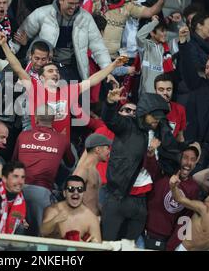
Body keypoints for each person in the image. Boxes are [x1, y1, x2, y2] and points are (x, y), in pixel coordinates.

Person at [0, 31, 125, 141]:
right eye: (50, 71)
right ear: (41, 78)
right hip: (38, 141)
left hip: (62, 146)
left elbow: (92, 80)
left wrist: (112, 66)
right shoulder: (34, 88)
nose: (55, 73)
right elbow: (17, 68)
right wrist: (4, 45)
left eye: (56, 71)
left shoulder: (68, 91)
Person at [100, 88, 174, 241]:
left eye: (159, 117)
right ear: (144, 113)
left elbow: (156, 173)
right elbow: (110, 119)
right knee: (108, 245)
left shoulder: (159, 135)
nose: (156, 120)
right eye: (154, 116)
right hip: (118, 197)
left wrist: (151, 155)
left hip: (141, 201)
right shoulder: (128, 126)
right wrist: (109, 103)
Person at [20, 0, 112, 82]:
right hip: (46, 67)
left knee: (79, 96)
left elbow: (99, 47)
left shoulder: (86, 18)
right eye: (70, 3)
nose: (74, 7)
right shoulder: (43, 13)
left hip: (73, 68)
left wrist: (107, 71)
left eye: (77, 3)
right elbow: (21, 34)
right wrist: (9, 54)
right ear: (61, 0)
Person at [13, 104, 74, 236]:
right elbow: (71, 163)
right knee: (40, 235)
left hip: (17, 190)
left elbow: (14, 163)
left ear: (35, 119)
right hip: (42, 192)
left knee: (15, 232)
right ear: (53, 119)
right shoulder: (62, 139)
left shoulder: (22, 136)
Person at [178, 25, 209, 170]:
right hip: (197, 146)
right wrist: (183, 43)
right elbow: (187, 68)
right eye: (207, 67)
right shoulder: (197, 85)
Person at [92, 0, 167, 58]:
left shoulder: (128, 5)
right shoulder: (97, 0)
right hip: (95, 54)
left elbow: (150, 12)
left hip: (121, 56)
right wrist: (93, 2)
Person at [143, 143, 201, 251]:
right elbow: (151, 166)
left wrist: (170, 247)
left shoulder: (194, 188)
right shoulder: (163, 173)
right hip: (142, 236)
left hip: (165, 242)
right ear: (178, 158)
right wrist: (150, 155)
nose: (188, 163)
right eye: (185, 158)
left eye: (193, 159)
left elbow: (185, 219)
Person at [41, 175, 101, 243]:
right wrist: (55, 220)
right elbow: (42, 232)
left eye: (80, 189)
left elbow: (98, 245)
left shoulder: (91, 218)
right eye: (71, 189)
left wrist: (87, 244)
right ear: (64, 193)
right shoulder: (53, 210)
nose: (75, 193)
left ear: (83, 194)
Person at [0, 160, 27, 234]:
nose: (20, 182)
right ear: (4, 178)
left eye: (22, 177)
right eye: (15, 176)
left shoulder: (21, 199)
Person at [73, 133, 111, 216]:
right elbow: (71, 199)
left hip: (94, 220)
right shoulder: (82, 171)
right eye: (107, 148)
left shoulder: (95, 171)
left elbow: (94, 201)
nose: (109, 151)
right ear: (97, 149)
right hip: (82, 222)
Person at [137, 16, 176, 95]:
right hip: (147, 94)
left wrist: (179, 23)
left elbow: (183, 39)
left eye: (165, 30)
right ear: (152, 33)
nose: (165, 33)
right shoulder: (145, 46)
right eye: (162, 31)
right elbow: (139, 36)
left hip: (164, 94)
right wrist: (154, 22)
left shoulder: (167, 47)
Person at [154, 74, 186, 142]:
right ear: (155, 91)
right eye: (161, 90)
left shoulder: (180, 109)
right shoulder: (146, 109)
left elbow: (180, 136)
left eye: (168, 89)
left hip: (169, 150)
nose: (165, 93)